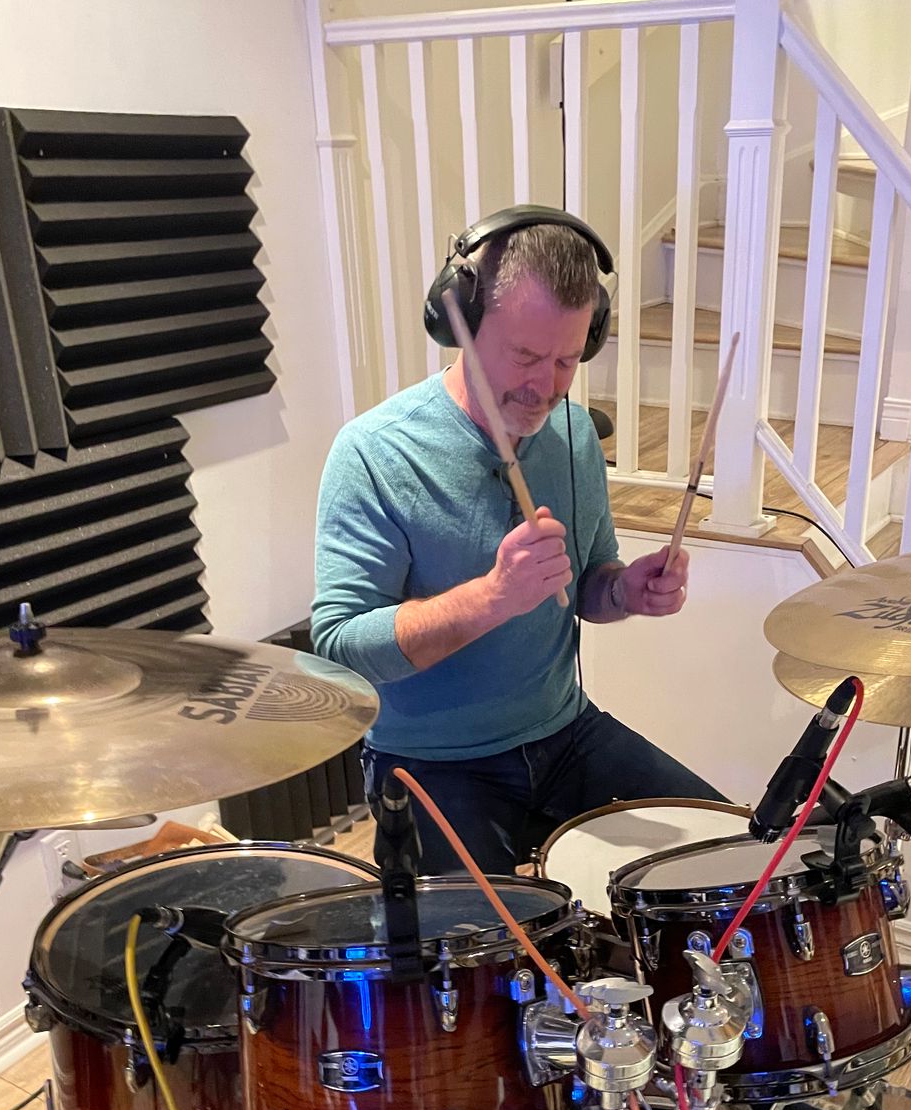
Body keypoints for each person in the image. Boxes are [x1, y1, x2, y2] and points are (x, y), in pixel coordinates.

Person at [311, 206, 725, 874]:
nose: (544, 387)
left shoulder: (574, 434)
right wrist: (492, 597)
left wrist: (626, 591)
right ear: (463, 326)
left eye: (567, 360)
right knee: (493, 941)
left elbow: (585, 587)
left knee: (727, 861)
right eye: (525, 356)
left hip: (565, 733)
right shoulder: (374, 452)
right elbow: (340, 648)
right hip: (431, 762)